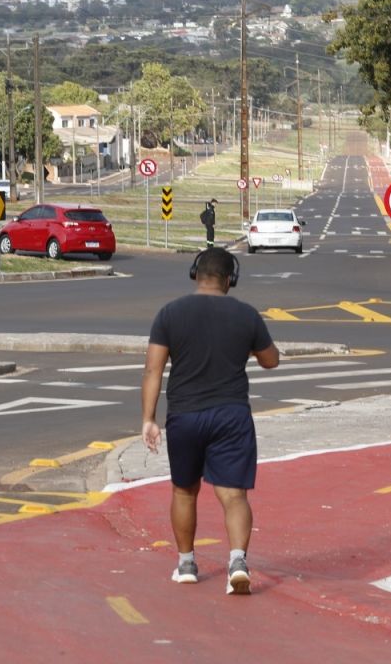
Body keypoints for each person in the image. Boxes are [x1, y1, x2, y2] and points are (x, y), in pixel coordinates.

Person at [141, 247, 280, 595]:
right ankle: (237, 563)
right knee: (234, 495)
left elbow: (153, 369)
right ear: (230, 279)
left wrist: (148, 419)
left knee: (184, 491)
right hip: (231, 415)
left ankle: (186, 563)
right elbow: (271, 361)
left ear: (195, 274)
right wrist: (244, 346)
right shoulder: (246, 315)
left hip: (184, 415)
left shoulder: (170, 313)